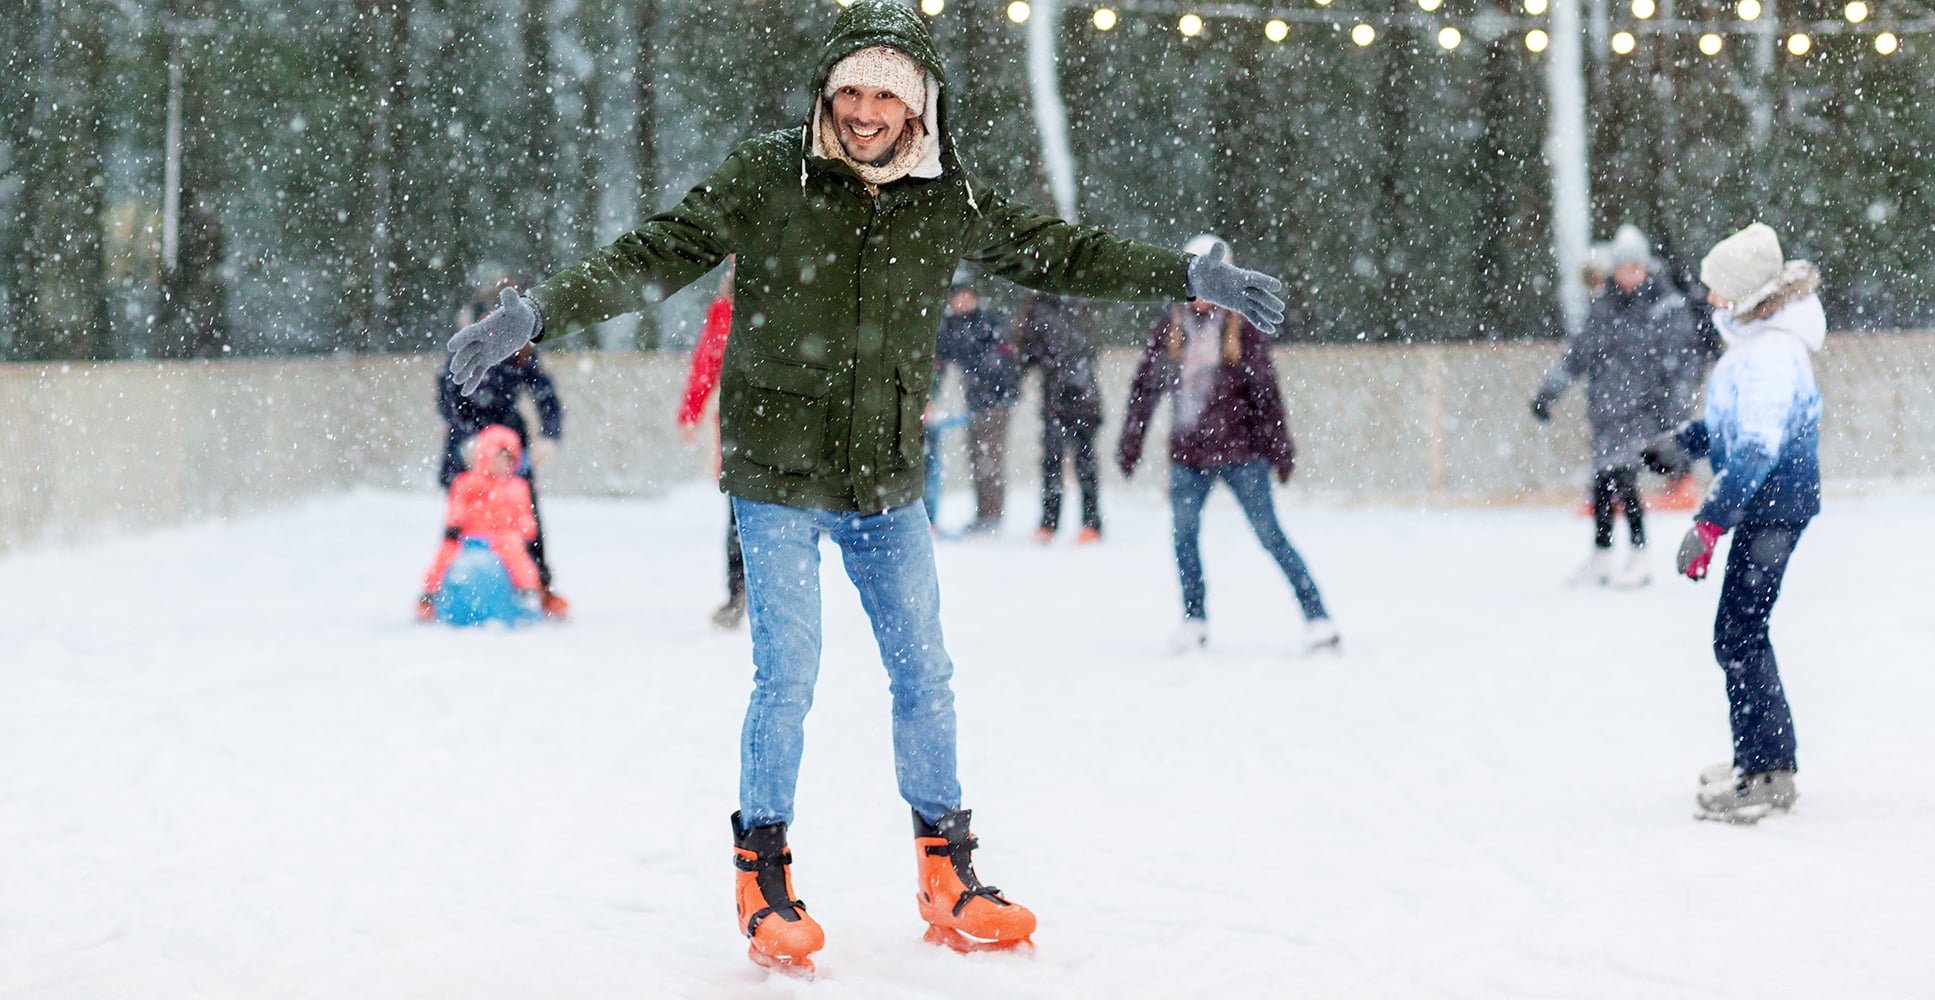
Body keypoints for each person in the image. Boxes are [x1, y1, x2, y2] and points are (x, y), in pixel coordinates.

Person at [440, 1, 1286, 975]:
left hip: (883, 477)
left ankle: (946, 873)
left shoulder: (945, 197)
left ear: (918, 100)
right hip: (777, 475)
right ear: (826, 93)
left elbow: (1065, 252)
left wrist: (1184, 276)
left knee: (923, 673)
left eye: (885, 91)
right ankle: (762, 876)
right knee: (786, 677)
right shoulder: (769, 174)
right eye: (849, 88)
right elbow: (655, 253)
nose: (864, 109)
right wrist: (538, 311)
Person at [1644, 222, 1823, 824]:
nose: (1710, 298)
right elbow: (1732, 430)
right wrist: (1684, 442)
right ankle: (1761, 756)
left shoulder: (1772, 354)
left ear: (1747, 294)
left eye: (1719, 289)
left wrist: (1708, 524)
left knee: (1739, 634)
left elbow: (1755, 451)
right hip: (1764, 505)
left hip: (1773, 508)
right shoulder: (1755, 344)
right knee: (1740, 633)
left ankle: (1768, 772)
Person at [1116, 235, 1335, 656]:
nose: (1202, 294)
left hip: (1241, 454)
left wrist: (1280, 451)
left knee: (1270, 534)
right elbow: (1144, 389)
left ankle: (1317, 616)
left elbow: (1266, 395)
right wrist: (1132, 443)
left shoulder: (1244, 330)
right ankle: (1194, 619)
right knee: (1183, 536)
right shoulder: (1169, 329)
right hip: (1188, 454)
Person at [1530, 224, 1699, 588]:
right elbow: (1577, 356)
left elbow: (1681, 363)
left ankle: (1639, 554)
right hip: (1605, 412)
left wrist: (1673, 412)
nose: (1628, 276)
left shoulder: (1663, 307)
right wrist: (1548, 393)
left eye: (1635, 268)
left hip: (1641, 413)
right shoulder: (1603, 309)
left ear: (1645, 268)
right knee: (1603, 483)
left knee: (1624, 480)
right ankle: (1603, 554)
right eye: (1623, 268)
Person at [437, 282, 567, 618]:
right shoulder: (465, 346)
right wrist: (466, 439)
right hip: (467, 440)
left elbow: (545, 394)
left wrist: (549, 436)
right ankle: (441, 590)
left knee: (525, 517)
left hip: (509, 443)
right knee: (460, 521)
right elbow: (448, 397)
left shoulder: (520, 350)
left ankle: (538, 585)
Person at [416, 425, 544, 626]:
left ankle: (527, 592)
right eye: (500, 459)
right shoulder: (467, 482)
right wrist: (454, 525)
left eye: (510, 460)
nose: (505, 466)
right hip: (469, 537)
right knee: (445, 554)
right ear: (485, 457)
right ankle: (429, 595)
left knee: (517, 554)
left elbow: (524, 515)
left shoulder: (517, 487)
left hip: (503, 537)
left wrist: (524, 529)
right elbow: (456, 505)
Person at [677, 257, 746, 629]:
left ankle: (744, 591)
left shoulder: (732, 310)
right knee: (743, 510)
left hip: (768, 420)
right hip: (741, 420)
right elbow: (707, 362)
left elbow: (707, 362)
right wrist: (691, 410)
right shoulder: (726, 311)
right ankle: (741, 591)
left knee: (746, 513)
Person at [1013, 291, 1104, 544]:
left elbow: (1087, 349)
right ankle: (1054, 521)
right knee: (1057, 462)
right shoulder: (1041, 309)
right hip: (1060, 400)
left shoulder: (1076, 304)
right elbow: (1025, 354)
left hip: (1079, 398)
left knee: (1079, 462)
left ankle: (1087, 522)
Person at [934, 272, 1019, 535]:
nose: (962, 302)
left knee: (988, 457)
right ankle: (985, 512)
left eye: (966, 296)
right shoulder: (949, 327)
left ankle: (992, 515)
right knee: (977, 456)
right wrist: (930, 397)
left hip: (996, 400)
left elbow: (1003, 359)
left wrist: (988, 379)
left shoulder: (987, 322)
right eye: (957, 297)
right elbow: (938, 364)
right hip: (974, 401)